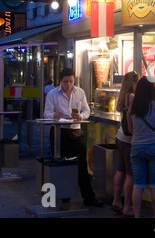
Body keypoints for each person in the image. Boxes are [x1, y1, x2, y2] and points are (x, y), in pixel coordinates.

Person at [44, 68, 103, 207]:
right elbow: (46, 112)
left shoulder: (80, 92)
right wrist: (54, 115)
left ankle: (89, 198)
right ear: (60, 81)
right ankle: (64, 197)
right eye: (66, 81)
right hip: (59, 132)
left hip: (76, 131)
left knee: (81, 165)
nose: (68, 84)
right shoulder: (53, 94)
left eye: (71, 81)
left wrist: (80, 116)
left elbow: (86, 110)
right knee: (62, 163)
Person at [130, 76, 155, 218]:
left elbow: (131, 129)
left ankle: (137, 215)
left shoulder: (132, 108)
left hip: (137, 148)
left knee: (138, 185)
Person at [111, 71, 139, 217]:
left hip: (120, 137)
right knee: (131, 174)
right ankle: (127, 206)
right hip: (129, 140)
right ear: (133, 83)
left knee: (120, 170)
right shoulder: (133, 97)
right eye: (137, 82)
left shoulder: (122, 96)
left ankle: (116, 200)